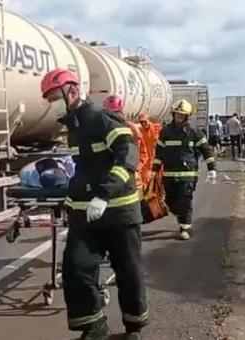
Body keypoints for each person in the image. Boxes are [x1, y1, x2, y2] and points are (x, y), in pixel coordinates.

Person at [40, 69, 148, 340]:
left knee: (128, 271)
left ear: (72, 92)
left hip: (120, 212)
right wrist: (70, 200)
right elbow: (83, 169)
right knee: (76, 268)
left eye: (57, 96)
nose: (56, 103)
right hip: (87, 216)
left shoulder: (102, 120)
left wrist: (103, 194)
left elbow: (128, 156)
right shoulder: (74, 127)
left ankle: (134, 328)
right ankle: (95, 327)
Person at [152, 99, 217, 241]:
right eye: (177, 115)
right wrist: (154, 168)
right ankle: (180, 215)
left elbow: (206, 150)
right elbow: (159, 152)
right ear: (173, 114)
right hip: (169, 174)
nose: (179, 118)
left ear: (187, 117)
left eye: (182, 115)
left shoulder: (194, 132)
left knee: (185, 201)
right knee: (170, 201)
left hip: (188, 175)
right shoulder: (165, 131)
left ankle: (184, 228)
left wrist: (212, 169)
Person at [102, 94, 148, 194]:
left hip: (130, 177)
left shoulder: (131, 129)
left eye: (114, 113)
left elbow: (142, 153)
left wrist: (134, 168)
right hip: (111, 177)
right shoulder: (102, 129)